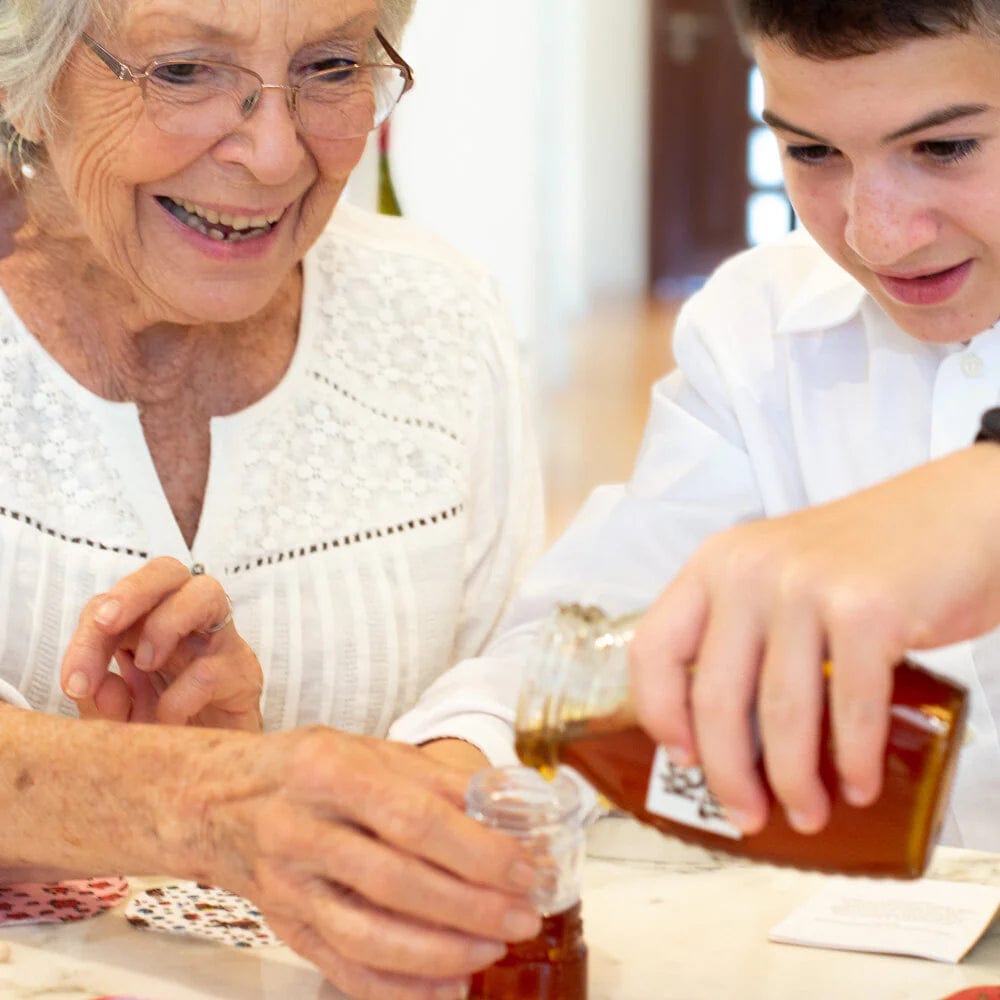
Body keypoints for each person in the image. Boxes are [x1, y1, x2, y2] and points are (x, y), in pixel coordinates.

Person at [0, 0, 547, 997]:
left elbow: (531, 662)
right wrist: (196, 799)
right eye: (183, 72)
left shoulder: (438, 312)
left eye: (332, 66)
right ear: (20, 81)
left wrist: (433, 785)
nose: (272, 151)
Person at [449, 0, 1000, 856]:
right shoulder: (760, 324)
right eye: (812, 152)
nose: (877, 233)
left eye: (944, 148)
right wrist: (448, 768)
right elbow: (583, 646)